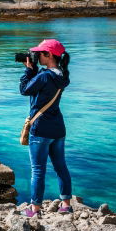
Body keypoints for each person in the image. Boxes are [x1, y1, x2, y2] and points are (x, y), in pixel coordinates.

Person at [19, 38, 72, 217]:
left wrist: (28, 71)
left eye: (40, 53)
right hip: (58, 128)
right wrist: (35, 71)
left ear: (48, 55)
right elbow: (42, 88)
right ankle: (66, 205)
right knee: (61, 167)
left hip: (41, 128)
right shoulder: (62, 76)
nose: (36, 56)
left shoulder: (44, 76)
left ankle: (35, 209)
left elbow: (25, 89)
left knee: (38, 169)